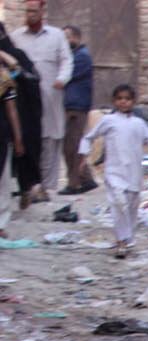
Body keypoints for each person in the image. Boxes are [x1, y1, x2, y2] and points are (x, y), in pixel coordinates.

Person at [77, 84, 148, 256]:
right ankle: (121, 240)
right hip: (114, 171)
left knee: (132, 206)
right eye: (120, 99)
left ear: (133, 102)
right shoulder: (108, 121)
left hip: (134, 172)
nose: (123, 102)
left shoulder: (139, 123)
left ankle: (128, 239)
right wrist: (83, 157)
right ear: (114, 101)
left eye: (127, 99)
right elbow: (89, 137)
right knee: (118, 202)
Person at [11, 1, 67, 200]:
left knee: (50, 138)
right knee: (28, 139)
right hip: (24, 98)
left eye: (34, 11)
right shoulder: (16, 36)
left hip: (50, 94)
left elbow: (66, 60)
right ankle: (30, 184)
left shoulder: (57, 35)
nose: (31, 14)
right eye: (28, 11)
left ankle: (46, 186)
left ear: (42, 12)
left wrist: (62, 79)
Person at [0, 24, 42, 207]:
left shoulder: (15, 57)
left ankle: (25, 189)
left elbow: (20, 74)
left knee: (19, 155)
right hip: (11, 114)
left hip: (17, 114)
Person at [57, 22, 91, 193]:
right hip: (71, 105)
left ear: (76, 38)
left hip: (77, 107)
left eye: (66, 37)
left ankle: (74, 183)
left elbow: (65, 76)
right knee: (71, 145)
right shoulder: (75, 55)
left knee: (73, 146)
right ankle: (86, 179)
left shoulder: (81, 57)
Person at [0, 52, 22, 237]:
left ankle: (0, 224)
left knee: (3, 180)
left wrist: (18, 138)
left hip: (1, 134)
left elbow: (11, 110)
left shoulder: (4, 79)